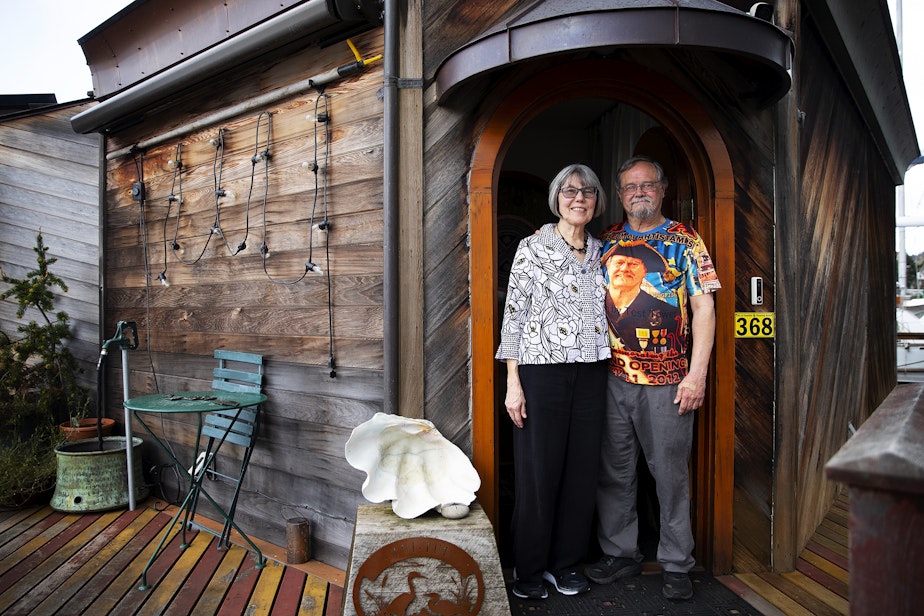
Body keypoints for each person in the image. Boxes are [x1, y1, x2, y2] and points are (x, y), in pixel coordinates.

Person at [586, 156, 721, 601]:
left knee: (669, 475)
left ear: (662, 190)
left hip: (668, 383)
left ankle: (677, 562)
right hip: (611, 378)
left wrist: (696, 374)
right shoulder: (605, 241)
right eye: (630, 187)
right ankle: (621, 553)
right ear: (620, 194)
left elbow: (704, 309)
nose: (638, 192)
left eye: (647, 185)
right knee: (615, 471)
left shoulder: (686, 241)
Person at [496, 163, 611, 600]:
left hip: (593, 371)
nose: (578, 198)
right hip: (541, 371)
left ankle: (565, 564)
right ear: (556, 199)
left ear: (597, 201)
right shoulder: (532, 247)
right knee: (538, 470)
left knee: (581, 470)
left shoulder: (603, 252)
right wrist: (513, 381)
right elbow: (514, 317)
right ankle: (529, 568)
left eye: (586, 192)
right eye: (569, 191)